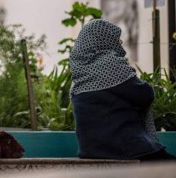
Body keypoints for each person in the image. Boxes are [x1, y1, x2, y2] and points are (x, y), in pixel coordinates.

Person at [69, 18, 175, 161]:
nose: (120, 46)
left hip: (90, 151)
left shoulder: (78, 77)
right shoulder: (109, 65)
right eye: (117, 40)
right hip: (127, 148)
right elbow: (145, 94)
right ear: (105, 40)